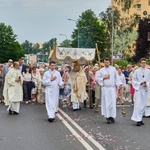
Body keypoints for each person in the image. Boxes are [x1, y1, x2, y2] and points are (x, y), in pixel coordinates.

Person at [96, 58, 122, 124]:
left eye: (107, 62)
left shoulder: (113, 69)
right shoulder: (101, 70)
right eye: (105, 62)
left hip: (111, 88)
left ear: (109, 62)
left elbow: (117, 78)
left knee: (112, 103)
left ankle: (112, 116)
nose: (106, 63)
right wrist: (103, 78)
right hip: (105, 89)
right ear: (103, 62)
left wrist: (119, 85)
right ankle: (107, 117)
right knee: (106, 103)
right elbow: (97, 78)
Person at [131, 58, 150, 126]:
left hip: (144, 90)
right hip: (139, 90)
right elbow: (134, 81)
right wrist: (140, 83)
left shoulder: (148, 71)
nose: (143, 64)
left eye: (144, 63)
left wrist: (146, 84)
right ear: (140, 63)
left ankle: (140, 118)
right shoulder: (137, 71)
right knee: (138, 105)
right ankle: (138, 120)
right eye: (142, 63)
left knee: (144, 105)